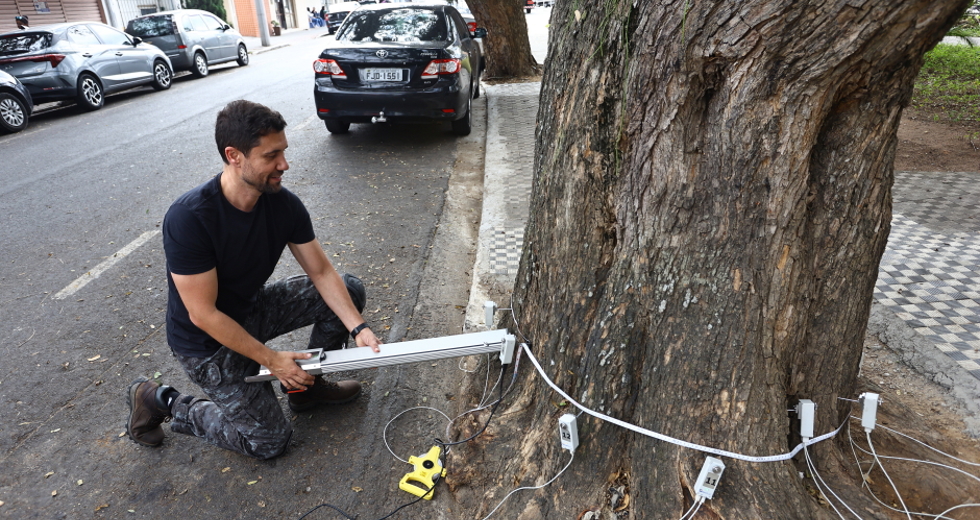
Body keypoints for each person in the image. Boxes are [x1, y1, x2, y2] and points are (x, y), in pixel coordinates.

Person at [126, 100, 382, 459]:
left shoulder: (281, 203)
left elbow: (322, 271)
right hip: (207, 344)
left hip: (250, 310)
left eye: (284, 152)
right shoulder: (190, 218)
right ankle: (161, 400)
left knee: (348, 291)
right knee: (269, 442)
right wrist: (274, 361)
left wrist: (358, 328)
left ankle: (306, 390)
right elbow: (203, 314)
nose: (284, 165)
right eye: (271, 156)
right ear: (234, 156)